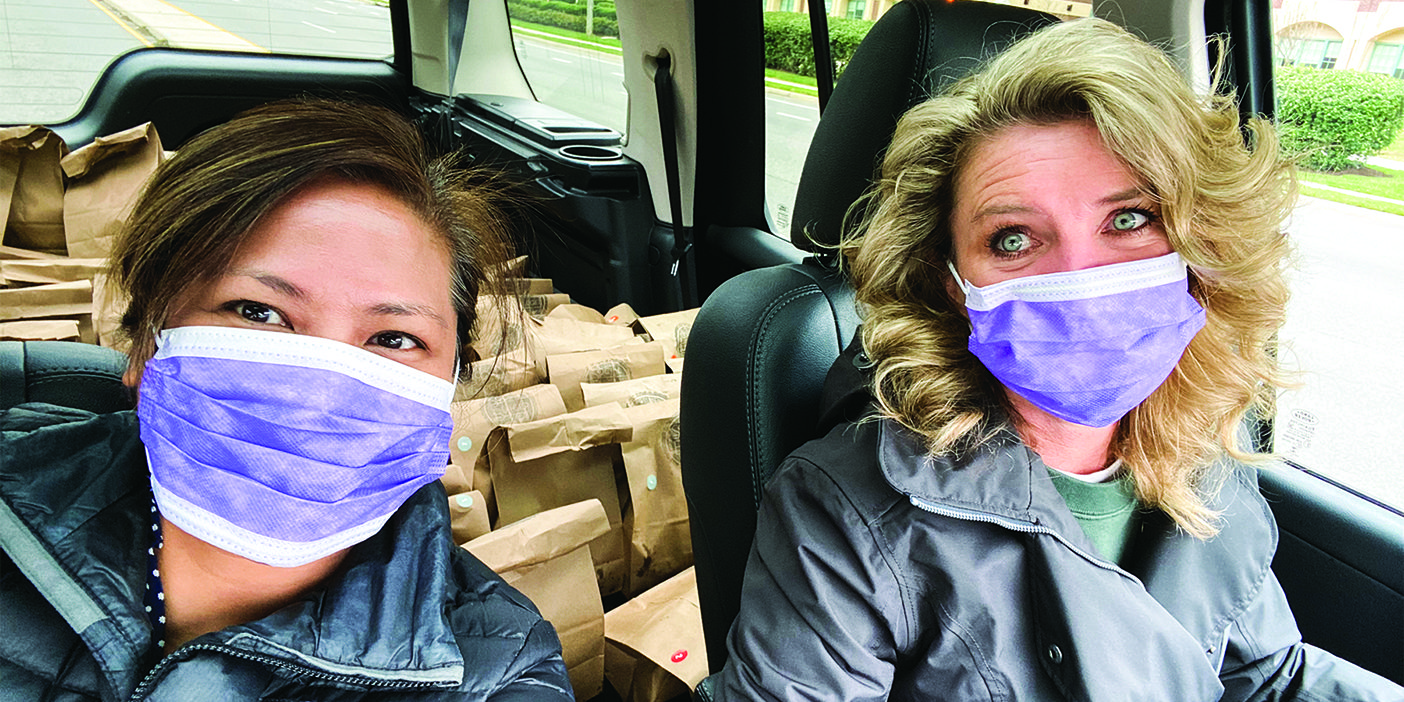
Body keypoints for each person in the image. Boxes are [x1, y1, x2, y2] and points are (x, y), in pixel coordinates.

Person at [712, 18, 1402, 701]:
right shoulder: (848, 513)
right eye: (1013, 239)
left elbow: (1263, 677)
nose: (1082, 277)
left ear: (1201, 246)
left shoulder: (1207, 447)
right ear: (956, 285)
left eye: (1129, 219)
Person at [0, 98, 573, 700]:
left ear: (446, 387)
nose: (321, 390)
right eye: (259, 312)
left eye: (394, 338)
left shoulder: (497, 671)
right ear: (147, 344)